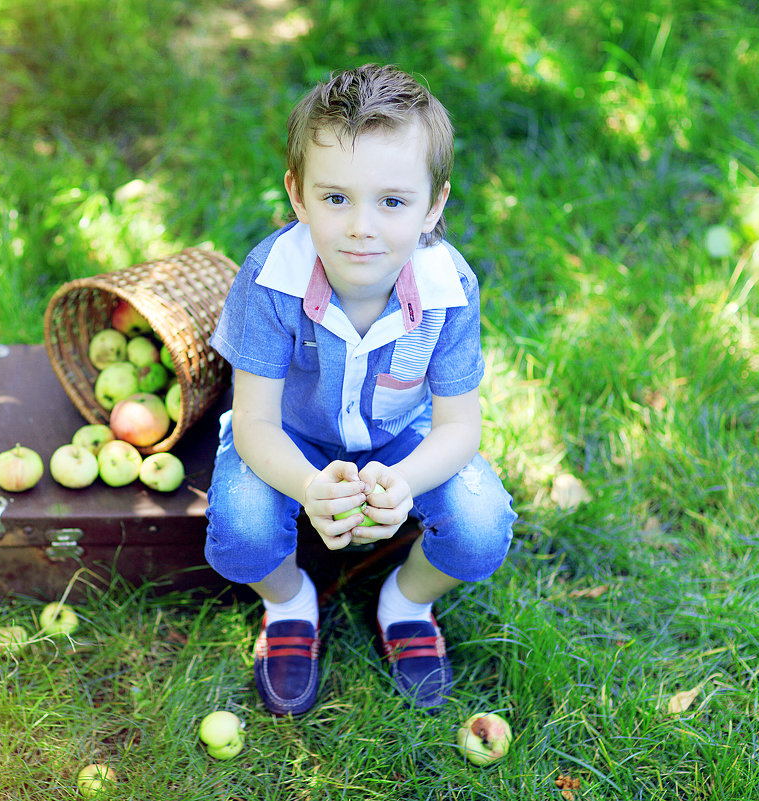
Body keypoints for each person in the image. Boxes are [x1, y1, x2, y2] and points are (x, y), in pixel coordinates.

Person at [204, 63, 516, 715]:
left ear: (434, 205)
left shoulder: (448, 289)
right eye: (336, 197)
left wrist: (405, 479)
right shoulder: (270, 279)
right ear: (297, 194)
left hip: (400, 435)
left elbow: (458, 425)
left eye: (393, 201)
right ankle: (288, 600)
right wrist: (308, 487)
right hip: (289, 436)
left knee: (482, 527)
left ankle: (407, 600)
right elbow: (255, 421)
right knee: (240, 531)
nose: (361, 227)